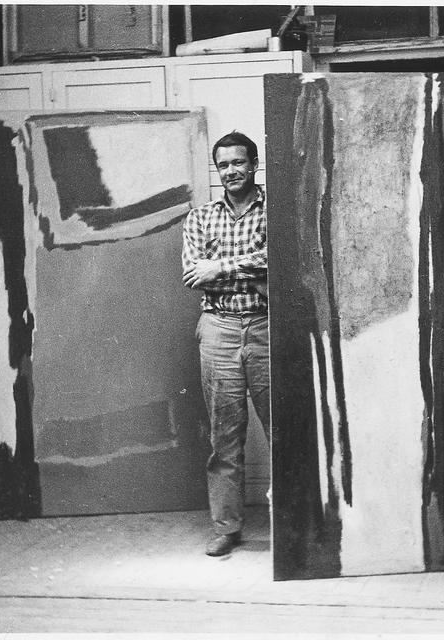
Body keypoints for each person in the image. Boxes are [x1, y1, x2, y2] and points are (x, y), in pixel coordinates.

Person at [182, 131, 270, 557]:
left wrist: (221, 266)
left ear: (254, 164)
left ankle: (296, 522)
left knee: (285, 430)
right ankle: (226, 527)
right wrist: (249, 268)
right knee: (225, 436)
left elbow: (283, 258)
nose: (232, 171)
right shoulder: (200, 218)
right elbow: (192, 274)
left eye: (239, 162)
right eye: (224, 165)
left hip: (269, 325)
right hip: (218, 328)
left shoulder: (277, 210)